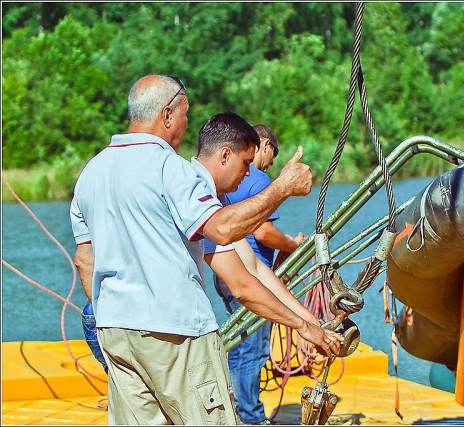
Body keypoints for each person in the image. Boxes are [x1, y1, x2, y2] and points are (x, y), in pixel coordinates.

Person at [70, 75, 341, 425]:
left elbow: (84, 260)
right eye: (185, 114)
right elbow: (226, 239)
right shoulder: (171, 168)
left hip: (116, 333)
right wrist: (282, 188)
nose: (186, 124)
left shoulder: (91, 173)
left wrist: (309, 323)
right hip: (176, 333)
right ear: (167, 114)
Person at [200, 122, 306, 424]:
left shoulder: (224, 185)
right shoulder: (258, 181)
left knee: (238, 342)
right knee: (253, 349)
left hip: (224, 268)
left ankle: (234, 407)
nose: (261, 165)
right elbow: (263, 233)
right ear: (264, 145)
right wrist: (293, 244)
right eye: (269, 155)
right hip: (246, 272)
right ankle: (251, 416)